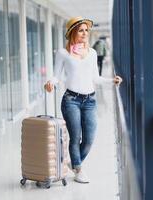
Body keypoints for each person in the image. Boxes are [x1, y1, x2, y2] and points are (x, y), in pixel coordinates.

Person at [44, 16, 122, 184]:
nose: (85, 33)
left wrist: (112, 81)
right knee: (75, 137)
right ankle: (78, 169)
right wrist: (51, 82)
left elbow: (96, 78)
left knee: (89, 138)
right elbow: (56, 76)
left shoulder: (92, 53)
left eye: (87, 30)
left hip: (90, 101)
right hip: (71, 100)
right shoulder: (63, 53)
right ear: (73, 32)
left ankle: (74, 162)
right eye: (81, 30)